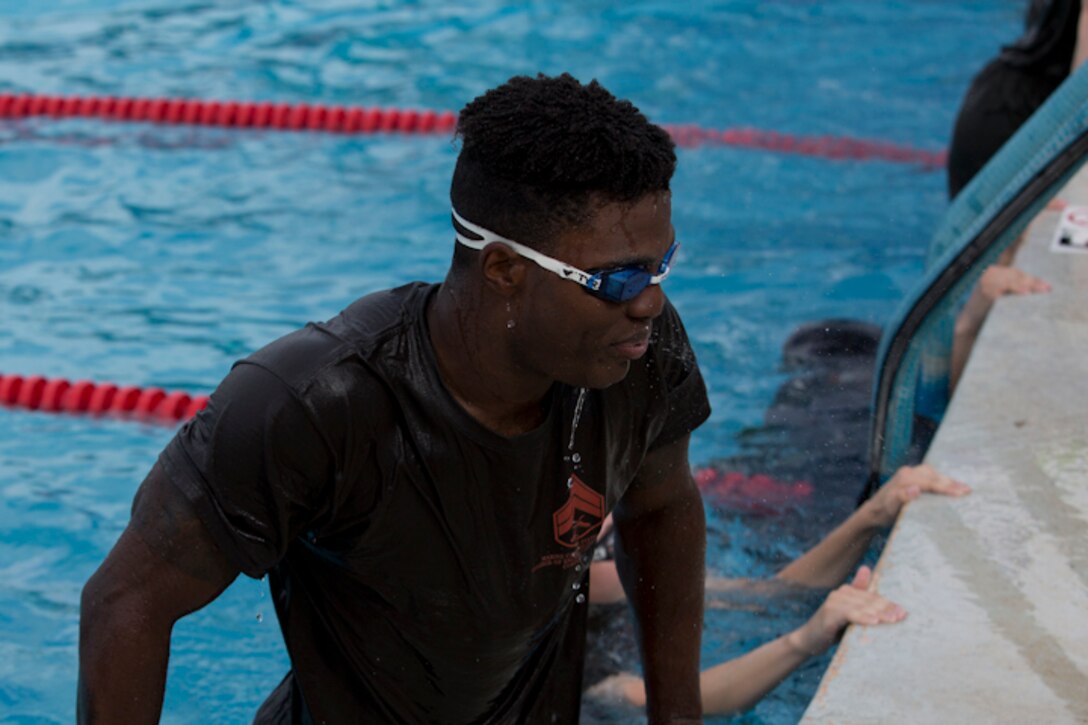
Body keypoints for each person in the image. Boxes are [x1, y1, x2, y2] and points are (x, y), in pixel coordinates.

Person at [78, 73, 711, 724]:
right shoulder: (318, 403)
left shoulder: (638, 355)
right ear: (504, 270)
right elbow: (126, 601)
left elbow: (662, 508)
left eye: (662, 264)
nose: (650, 302)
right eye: (619, 278)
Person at [584, 464, 970, 716]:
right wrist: (803, 640)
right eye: (600, 554)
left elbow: (773, 593)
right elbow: (681, 705)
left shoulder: (615, 569)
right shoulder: (573, 664)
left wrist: (872, 515)